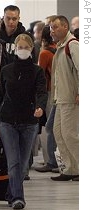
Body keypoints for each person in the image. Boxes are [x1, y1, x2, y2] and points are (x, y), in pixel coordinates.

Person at [0, 33, 48, 209]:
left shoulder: (37, 71)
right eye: (20, 47)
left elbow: (42, 92)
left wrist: (40, 106)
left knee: (24, 163)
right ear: (15, 49)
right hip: (7, 121)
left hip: (29, 121)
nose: (23, 50)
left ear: (31, 50)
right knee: (14, 161)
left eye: (26, 47)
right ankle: (18, 197)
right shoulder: (6, 70)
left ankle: (11, 193)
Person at [50, 15, 79, 181]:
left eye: (55, 27)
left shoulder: (72, 45)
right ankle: (71, 168)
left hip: (71, 98)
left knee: (70, 134)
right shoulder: (61, 47)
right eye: (51, 27)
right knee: (59, 133)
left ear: (65, 27)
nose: (52, 31)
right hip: (61, 98)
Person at [34, 25, 58, 173]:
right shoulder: (57, 49)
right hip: (56, 91)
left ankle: (51, 161)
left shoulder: (44, 54)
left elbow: (39, 75)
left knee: (49, 128)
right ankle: (53, 159)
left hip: (48, 92)